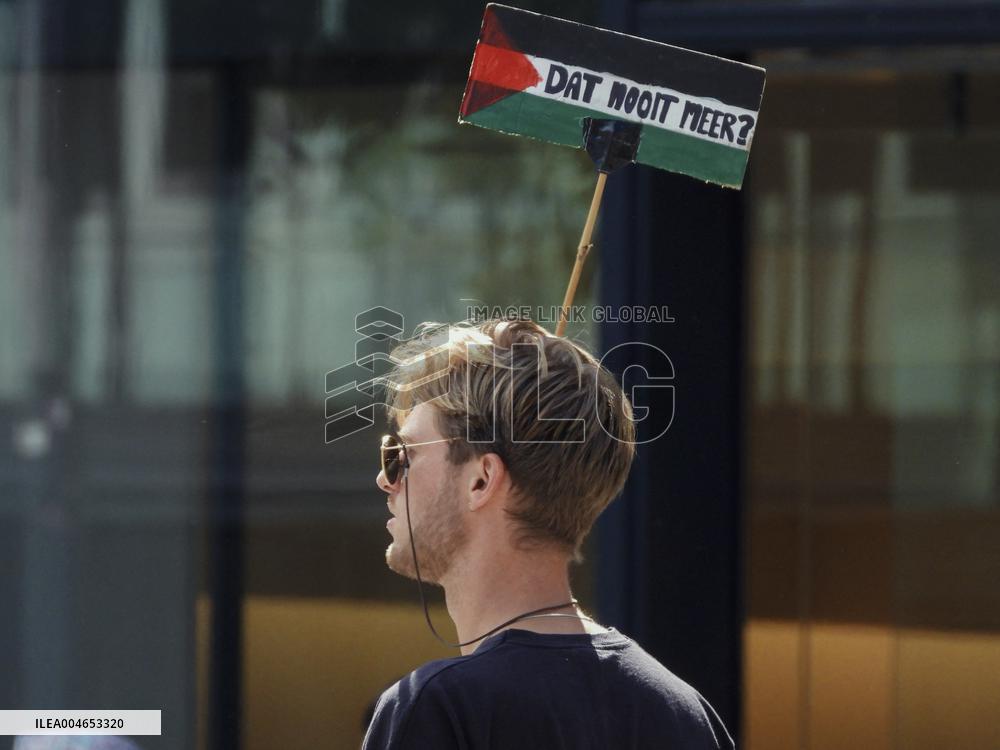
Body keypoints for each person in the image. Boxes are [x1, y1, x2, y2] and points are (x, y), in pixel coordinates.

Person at [363, 319, 734, 749]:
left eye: (401, 455)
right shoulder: (686, 715)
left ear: (481, 480)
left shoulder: (438, 709)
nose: (386, 480)